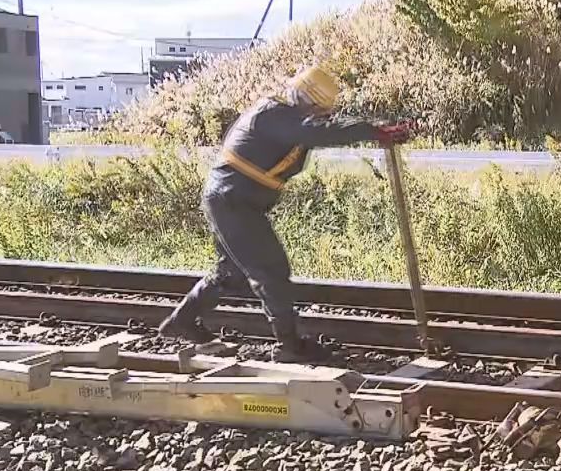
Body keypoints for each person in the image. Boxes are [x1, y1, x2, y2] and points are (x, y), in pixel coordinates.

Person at [158, 64, 415, 363]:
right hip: (232, 201)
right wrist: (372, 131)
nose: (322, 116)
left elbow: (319, 132)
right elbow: (319, 133)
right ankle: (289, 346)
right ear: (307, 100)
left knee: (232, 271)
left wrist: (374, 130)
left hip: (233, 200)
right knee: (271, 271)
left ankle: (182, 321)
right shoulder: (274, 114)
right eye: (320, 110)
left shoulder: (292, 121)